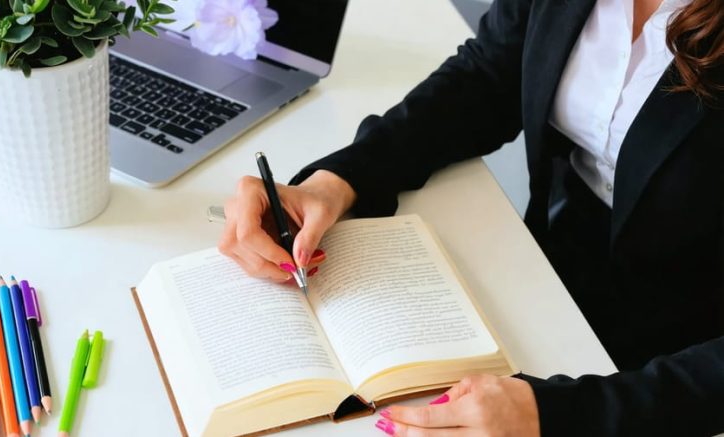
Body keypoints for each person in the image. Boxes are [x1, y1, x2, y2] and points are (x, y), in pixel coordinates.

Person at [218, 0, 724, 434]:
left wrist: (563, 417)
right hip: (555, 278)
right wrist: (338, 180)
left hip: (686, 358)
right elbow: (491, 76)